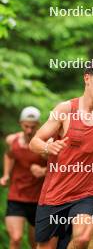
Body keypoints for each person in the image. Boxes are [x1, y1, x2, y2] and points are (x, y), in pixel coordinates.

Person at [29, 60, 93, 249]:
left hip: (88, 193)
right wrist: (47, 148)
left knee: (82, 239)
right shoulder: (65, 110)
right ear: (86, 78)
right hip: (55, 193)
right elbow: (34, 142)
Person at [0, 106, 47, 249]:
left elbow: (59, 166)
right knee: (16, 238)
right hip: (17, 197)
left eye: (33, 127)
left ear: (38, 125)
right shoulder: (12, 140)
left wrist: (43, 170)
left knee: (36, 243)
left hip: (38, 200)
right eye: (26, 126)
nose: (29, 130)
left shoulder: (45, 143)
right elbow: (9, 156)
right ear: (21, 123)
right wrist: (6, 175)